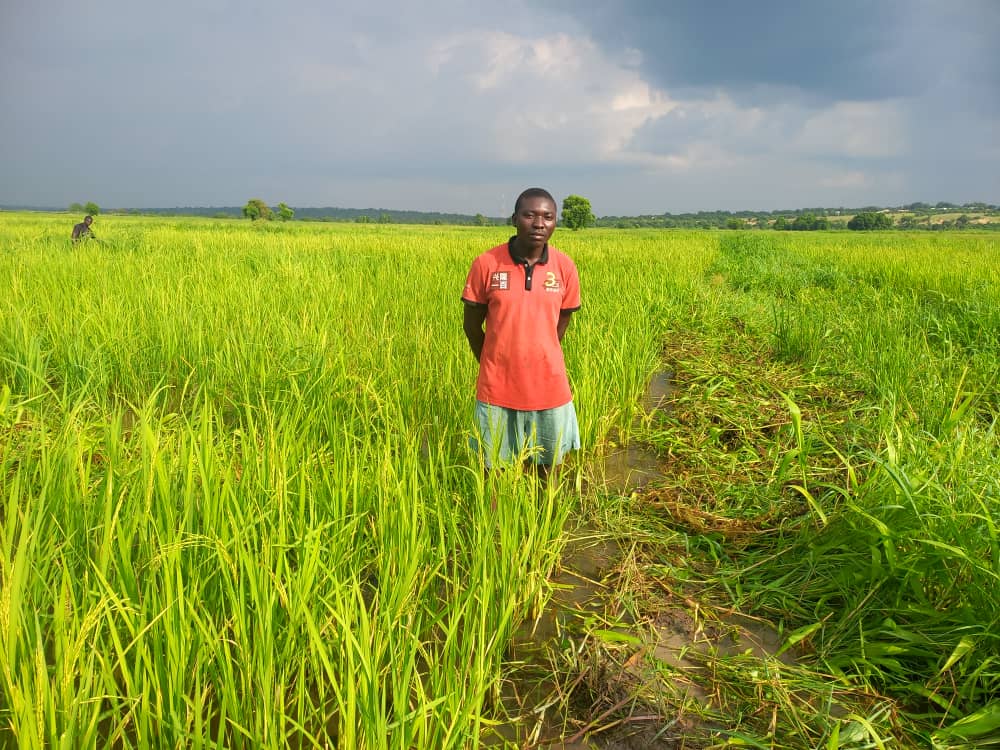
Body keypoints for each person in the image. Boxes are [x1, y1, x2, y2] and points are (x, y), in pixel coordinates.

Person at [461, 187, 581, 480]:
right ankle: (492, 525)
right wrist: (493, 361)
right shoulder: (487, 264)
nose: (539, 223)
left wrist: (540, 355)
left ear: (555, 223)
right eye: (530, 215)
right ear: (515, 219)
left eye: (547, 217)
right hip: (496, 389)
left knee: (548, 468)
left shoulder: (564, 267)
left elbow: (560, 325)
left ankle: (546, 525)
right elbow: (471, 325)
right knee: (491, 471)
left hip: (550, 388)